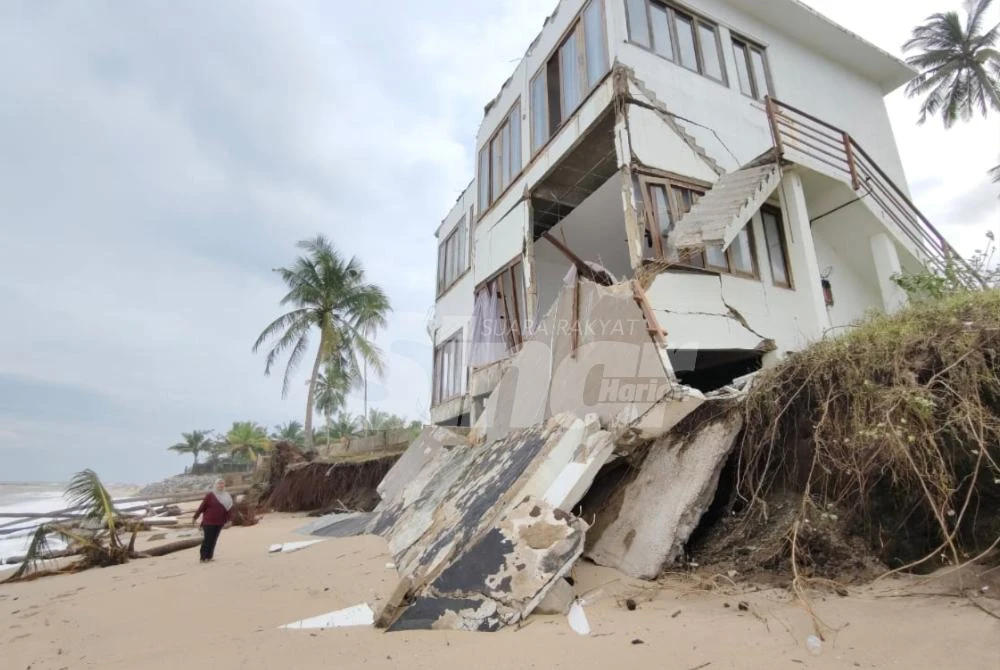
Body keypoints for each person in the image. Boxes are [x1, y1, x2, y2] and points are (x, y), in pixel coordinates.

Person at [193, 478, 233, 562]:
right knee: (207, 539)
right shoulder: (210, 495)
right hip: (208, 521)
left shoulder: (227, 496)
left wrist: (229, 520)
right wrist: (195, 517)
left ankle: (209, 557)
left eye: (222, 483)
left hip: (219, 522)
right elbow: (202, 507)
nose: (221, 485)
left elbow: (228, 509)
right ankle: (203, 557)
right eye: (219, 483)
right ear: (216, 485)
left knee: (214, 539)